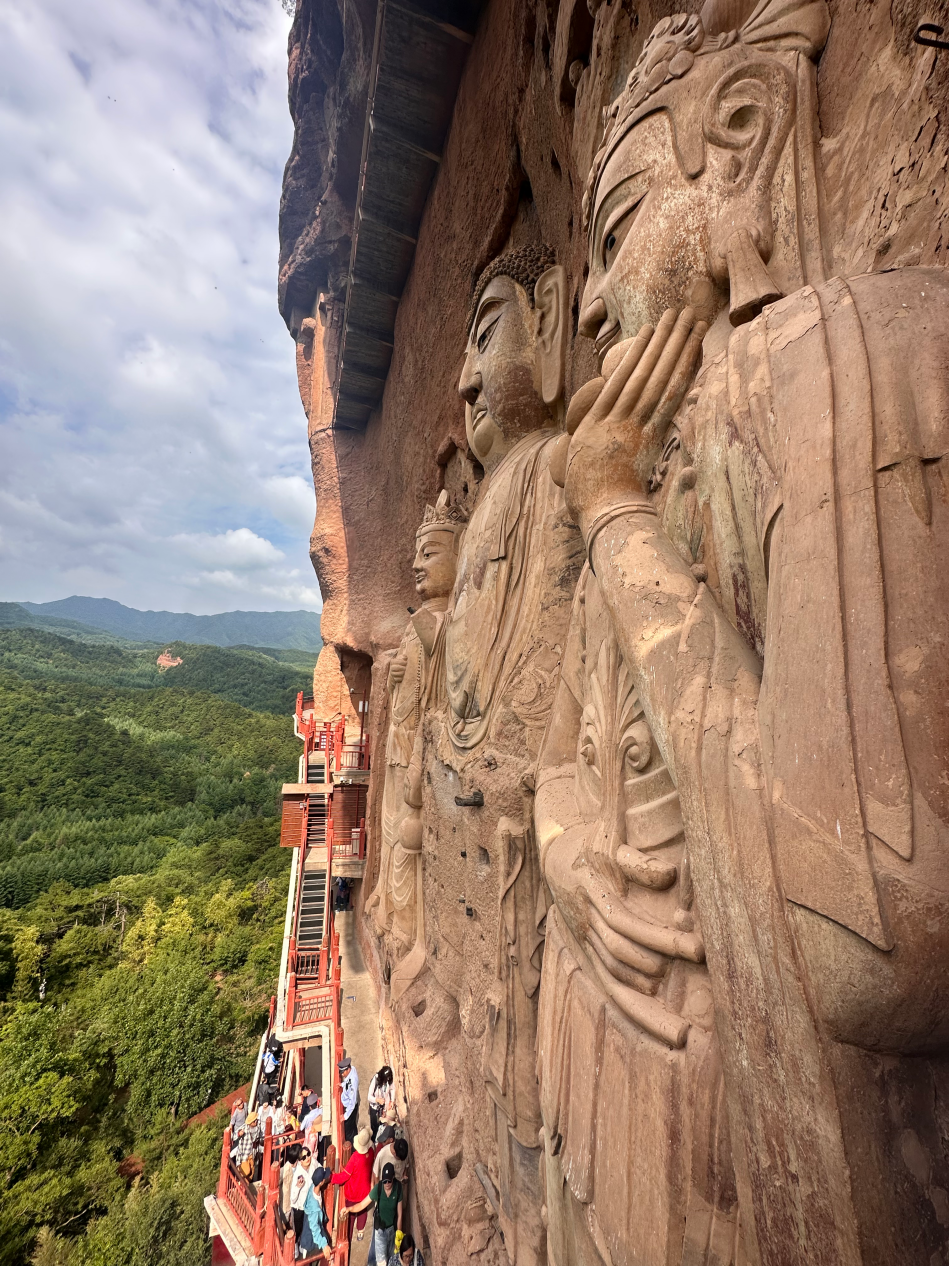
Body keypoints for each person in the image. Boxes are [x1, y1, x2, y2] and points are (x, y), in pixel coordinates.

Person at [341, 1162, 403, 1266]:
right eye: (384, 1181)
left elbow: (400, 1213)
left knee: (393, 1259)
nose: (387, 1183)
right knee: (382, 1262)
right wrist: (349, 1209)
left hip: (392, 1230)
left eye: (389, 1181)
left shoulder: (398, 1188)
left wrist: (399, 1234)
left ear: (393, 1178)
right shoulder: (378, 1189)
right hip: (380, 1230)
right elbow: (361, 1205)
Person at [330, 1126, 374, 1243]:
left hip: (353, 1192)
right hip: (365, 1190)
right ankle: (360, 1231)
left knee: (351, 1214)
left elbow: (344, 1176)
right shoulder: (371, 1152)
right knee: (362, 1210)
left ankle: (348, 1237)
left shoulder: (355, 1158)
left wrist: (332, 1177)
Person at [299, 1164, 333, 1261]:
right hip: (312, 1240)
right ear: (322, 1182)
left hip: (309, 1231)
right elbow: (314, 1229)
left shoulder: (312, 1188)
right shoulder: (314, 1208)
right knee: (313, 1259)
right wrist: (324, 1245)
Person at [289, 1145, 314, 1254]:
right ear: (299, 1161)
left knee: (306, 1227)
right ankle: (295, 1246)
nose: (307, 1158)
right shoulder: (298, 1175)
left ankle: (303, 1245)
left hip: (308, 1205)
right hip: (299, 1207)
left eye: (308, 1155)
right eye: (303, 1158)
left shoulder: (312, 1166)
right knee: (298, 1229)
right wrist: (298, 1187)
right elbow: (293, 1198)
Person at [280, 1142, 303, 1228]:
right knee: (283, 1223)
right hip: (286, 1202)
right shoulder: (284, 1170)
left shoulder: (300, 1167)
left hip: (297, 1201)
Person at [367, 1065, 395, 1136]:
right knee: (375, 1128)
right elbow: (369, 1097)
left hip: (384, 1108)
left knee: (383, 1127)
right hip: (375, 1108)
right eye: (385, 1080)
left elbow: (392, 1089)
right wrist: (377, 1100)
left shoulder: (388, 1080)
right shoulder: (375, 1080)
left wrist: (392, 1100)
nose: (386, 1082)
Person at [338, 1055, 359, 1143]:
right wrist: (342, 1084)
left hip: (350, 1108)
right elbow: (347, 1082)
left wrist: (346, 1116)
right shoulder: (352, 1070)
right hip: (349, 1104)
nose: (342, 1074)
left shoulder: (352, 1082)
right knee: (353, 1126)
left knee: (349, 1130)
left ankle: (353, 1147)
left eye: (343, 1072)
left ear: (348, 1070)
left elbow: (352, 1101)